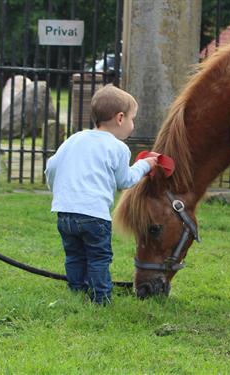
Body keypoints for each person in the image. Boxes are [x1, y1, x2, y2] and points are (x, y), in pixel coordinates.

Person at [45, 84, 157, 304]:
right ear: (120, 118)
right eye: (133, 119)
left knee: (75, 255)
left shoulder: (74, 139)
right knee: (98, 258)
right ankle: (101, 299)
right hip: (94, 215)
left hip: (64, 212)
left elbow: (51, 167)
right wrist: (145, 165)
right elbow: (125, 181)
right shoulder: (118, 148)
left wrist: (58, 190)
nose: (133, 125)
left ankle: (77, 292)